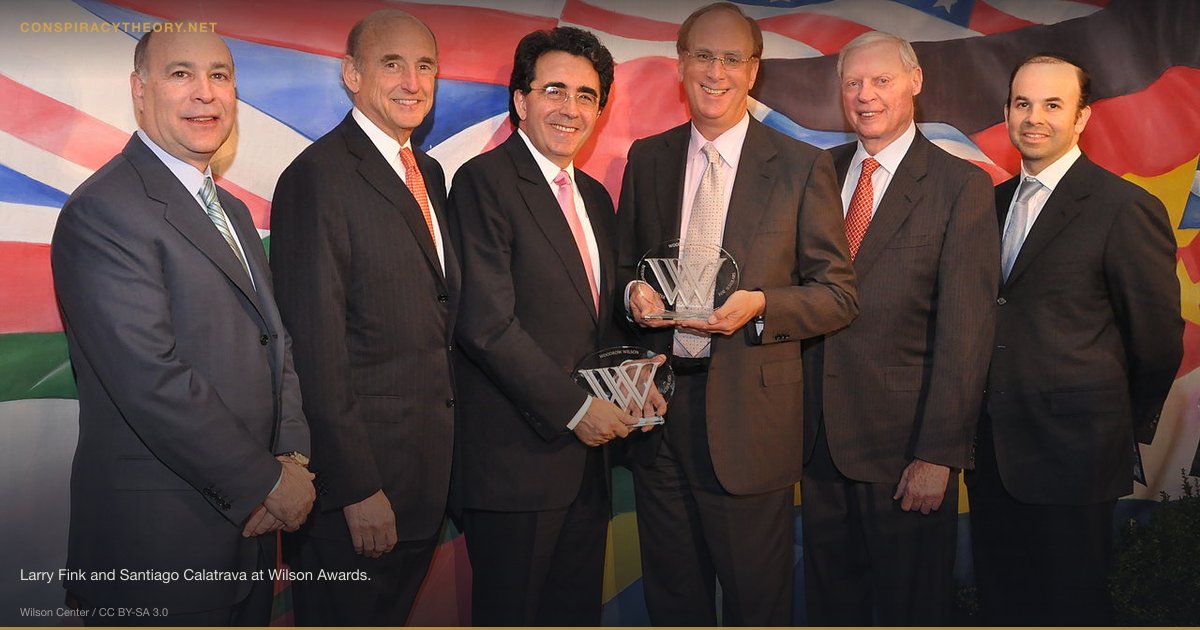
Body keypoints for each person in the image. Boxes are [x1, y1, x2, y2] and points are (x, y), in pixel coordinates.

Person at [51, 29, 314, 625]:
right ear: (139, 92)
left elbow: (276, 343)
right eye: (181, 75)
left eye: (220, 76)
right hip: (159, 544)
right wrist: (265, 483)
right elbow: (150, 379)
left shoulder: (236, 212)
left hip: (247, 537)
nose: (206, 94)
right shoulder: (104, 210)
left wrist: (293, 457)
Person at [617, 3, 858, 625]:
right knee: (672, 602)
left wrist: (763, 306)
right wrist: (630, 294)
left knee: (757, 603)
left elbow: (837, 293)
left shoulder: (803, 167)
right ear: (681, 65)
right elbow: (623, 266)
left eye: (732, 59)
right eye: (703, 55)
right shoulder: (648, 158)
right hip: (660, 418)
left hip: (752, 421)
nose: (716, 72)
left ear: (754, 71)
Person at [967, 52, 1183, 625]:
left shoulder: (1124, 208)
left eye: (1053, 105)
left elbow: (1157, 342)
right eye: (1022, 104)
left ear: (1083, 117)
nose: (1034, 117)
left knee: (1071, 606)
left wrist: (1109, 426)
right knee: (1002, 606)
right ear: (1007, 113)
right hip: (990, 455)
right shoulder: (986, 206)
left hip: (1076, 456)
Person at [798, 31, 999, 625]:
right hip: (816, 448)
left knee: (912, 612)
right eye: (853, 83)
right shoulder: (815, 174)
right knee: (833, 611)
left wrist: (938, 455)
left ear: (915, 82)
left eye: (881, 81)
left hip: (907, 457)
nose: (865, 96)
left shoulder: (960, 186)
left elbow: (966, 332)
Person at [268, 10, 458, 626]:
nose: (411, 81)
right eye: (391, 64)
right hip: (358, 493)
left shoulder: (427, 173)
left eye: (424, 65)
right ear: (351, 74)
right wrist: (354, 487)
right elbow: (315, 348)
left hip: (423, 481)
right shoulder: (315, 178)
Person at [450, 26, 642, 626]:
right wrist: (579, 410)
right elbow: (485, 323)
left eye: (587, 96)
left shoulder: (593, 195)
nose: (571, 108)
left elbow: (596, 320)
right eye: (555, 90)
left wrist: (636, 374)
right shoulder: (485, 182)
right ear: (521, 100)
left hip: (587, 469)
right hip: (516, 466)